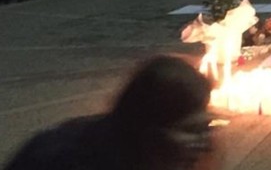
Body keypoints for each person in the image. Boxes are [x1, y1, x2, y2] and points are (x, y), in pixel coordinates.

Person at [4, 55, 216, 170]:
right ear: (147, 128)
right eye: (191, 130)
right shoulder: (67, 160)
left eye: (206, 127)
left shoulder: (146, 154)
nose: (205, 143)